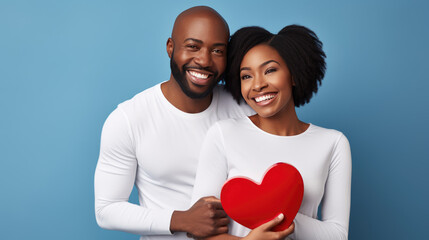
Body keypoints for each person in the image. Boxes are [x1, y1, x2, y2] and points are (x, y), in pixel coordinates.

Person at [94, 6, 255, 240]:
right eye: (193, 46)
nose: (204, 60)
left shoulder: (245, 108)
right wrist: (181, 220)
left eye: (217, 50)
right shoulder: (128, 119)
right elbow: (106, 210)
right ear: (170, 47)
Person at [191, 25, 352, 239]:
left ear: (294, 75)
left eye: (270, 70)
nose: (257, 85)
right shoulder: (224, 134)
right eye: (246, 76)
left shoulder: (333, 143)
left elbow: (338, 234)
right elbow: (201, 230)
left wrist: (275, 209)